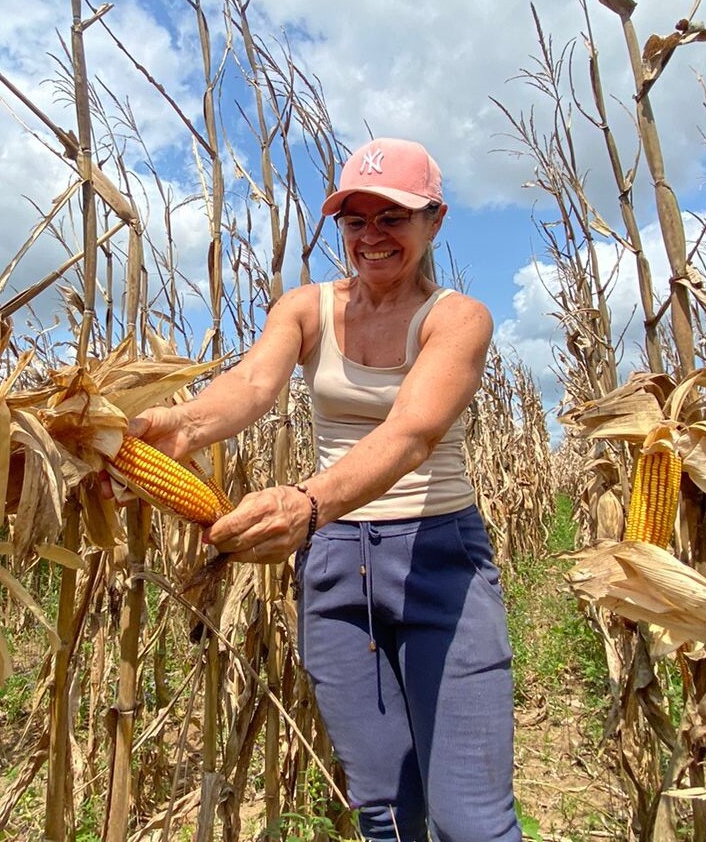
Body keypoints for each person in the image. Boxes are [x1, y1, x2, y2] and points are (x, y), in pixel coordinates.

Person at [130, 137, 521, 842]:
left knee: (471, 819)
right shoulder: (306, 307)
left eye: (392, 217)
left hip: (439, 559)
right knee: (386, 812)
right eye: (354, 219)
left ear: (434, 221)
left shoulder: (458, 319)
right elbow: (252, 385)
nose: (371, 237)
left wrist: (308, 503)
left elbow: (411, 433)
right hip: (337, 565)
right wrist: (182, 425)